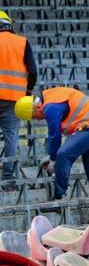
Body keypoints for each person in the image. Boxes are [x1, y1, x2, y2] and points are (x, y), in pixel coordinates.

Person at [14, 87, 89, 216]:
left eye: (34, 117)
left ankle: (59, 198)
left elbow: (54, 135)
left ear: (36, 108)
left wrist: (53, 158)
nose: (38, 119)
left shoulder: (50, 107)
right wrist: (52, 156)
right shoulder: (51, 99)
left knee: (63, 155)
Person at [0, 10, 37, 186]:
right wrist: (27, 92)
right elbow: (33, 71)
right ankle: (8, 178)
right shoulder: (22, 42)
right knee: (11, 137)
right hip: (14, 99)